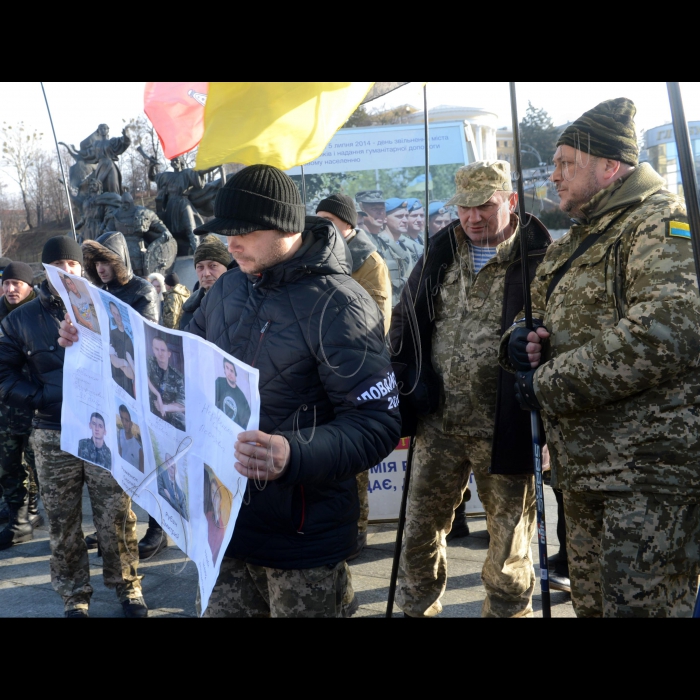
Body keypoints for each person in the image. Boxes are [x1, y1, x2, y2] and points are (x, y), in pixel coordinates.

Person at [502, 97, 700, 618]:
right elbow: (537, 314)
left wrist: (547, 384)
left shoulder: (661, 220)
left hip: (648, 476)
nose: (556, 175)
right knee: (591, 608)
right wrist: (520, 342)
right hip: (585, 470)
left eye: (568, 163)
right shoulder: (583, 233)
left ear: (610, 166)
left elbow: (665, 332)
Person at [185, 164, 401, 617]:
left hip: (301, 537)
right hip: (224, 525)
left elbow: (378, 423)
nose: (230, 244)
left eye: (242, 231)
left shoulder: (340, 303)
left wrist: (292, 453)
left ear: (284, 225)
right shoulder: (227, 286)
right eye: (226, 233)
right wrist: (90, 340)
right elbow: (183, 359)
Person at [390, 161, 551, 618]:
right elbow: (406, 316)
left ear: (511, 201)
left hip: (505, 425)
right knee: (418, 529)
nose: (473, 217)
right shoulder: (440, 251)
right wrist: (406, 371)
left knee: (508, 541)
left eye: (486, 205)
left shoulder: (540, 258)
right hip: (438, 423)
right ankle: (416, 608)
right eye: (464, 207)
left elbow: (563, 335)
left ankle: (506, 612)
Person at [0, 236, 147, 617]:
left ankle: (128, 587)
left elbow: (137, 355)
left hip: (105, 429)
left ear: (80, 268)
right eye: (57, 265)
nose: (66, 271)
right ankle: (74, 596)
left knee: (116, 513)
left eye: (72, 264)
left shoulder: (105, 307)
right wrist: (39, 397)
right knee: (63, 522)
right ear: (44, 272)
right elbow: (3, 371)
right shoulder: (20, 320)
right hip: (52, 431)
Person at [315, 192, 392, 558]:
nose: (322, 226)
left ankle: (357, 527)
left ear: (349, 225)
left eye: (330, 220)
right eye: (319, 218)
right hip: (316, 372)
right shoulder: (315, 255)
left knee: (351, 458)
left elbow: (376, 320)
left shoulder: (369, 261)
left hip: (352, 372)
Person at [82, 230, 166, 558]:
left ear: (119, 261)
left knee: (148, 460)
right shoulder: (99, 290)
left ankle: (158, 531)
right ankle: (116, 527)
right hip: (110, 387)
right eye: (96, 263)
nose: (101, 268)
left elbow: (146, 336)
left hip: (139, 388)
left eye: (106, 261)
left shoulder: (142, 289)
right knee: (120, 462)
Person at [0, 261, 42, 549]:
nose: (11, 288)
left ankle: (35, 511)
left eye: (16, 283)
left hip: (35, 403)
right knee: (8, 464)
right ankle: (19, 517)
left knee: (39, 464)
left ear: (29, 286)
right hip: (4, 406)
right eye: (6, 283)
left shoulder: (40, 313)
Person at [82, 231, 159, 323]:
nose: (100, 270)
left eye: (105, 263)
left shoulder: (144, 290)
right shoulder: (101, 291)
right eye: (96, 264)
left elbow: (147, 333)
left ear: (119, 262)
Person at [178, 235, 231, 330]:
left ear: (226, 267)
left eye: (213, 265)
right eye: (200, 267)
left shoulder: (243, 301)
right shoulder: (190, 308)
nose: (206, 273)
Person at [147, 335, 186, 430]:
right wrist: (157, 395)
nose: (160, 353)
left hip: (167, 411)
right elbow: (143, 377)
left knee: (182, 420)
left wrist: (165, 407)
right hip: (149, 406)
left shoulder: (178, 377)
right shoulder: (149, 362)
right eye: (157, 349)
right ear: (153, 349)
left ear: (169, 353)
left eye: (163, 350)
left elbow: (182, 405)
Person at [108, 301, 136, 399]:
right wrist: (124, 363)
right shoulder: (112, 334)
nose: (117, 317)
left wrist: (132, 370)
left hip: (128, 383)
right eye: (114, 314)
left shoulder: (129, 337)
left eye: (118, 314)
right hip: (115, 379)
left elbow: (130, 357)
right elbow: (113, 359)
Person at [215, 358, 251, 430]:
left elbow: (246, 423)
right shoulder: (219, 382)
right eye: (227, 368)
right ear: (224, 369)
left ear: (236, 374)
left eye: (232, 371)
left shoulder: (241, 397)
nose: (229, 373)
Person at [204, 470, 227, 563]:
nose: (213, 498)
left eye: (216, 494)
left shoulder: (224, 524)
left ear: (221, 499)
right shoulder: (207, 516)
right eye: (212, 492)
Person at [157, 453, 189, 520]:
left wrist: (170, 498)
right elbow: (159, 491)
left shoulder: (182, 494)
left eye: (173, 467)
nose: (170, 468)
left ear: (177, 469)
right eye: (168, 464)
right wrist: (177, 506)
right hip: (159, 514)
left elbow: (185, 515)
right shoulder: (161, 473)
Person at [117, 405, 143, 472]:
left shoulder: (139, 450)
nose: (124, 423)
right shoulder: (120, 433)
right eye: (122, 419)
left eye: (127, 420)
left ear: (131, 423)